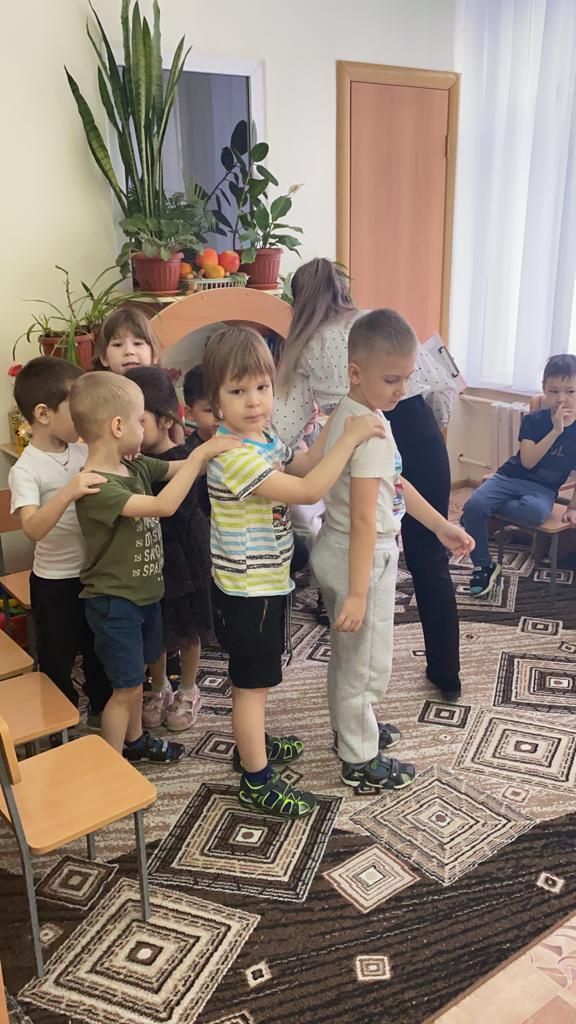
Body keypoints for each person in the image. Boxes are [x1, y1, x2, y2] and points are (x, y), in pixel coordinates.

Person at [203, 326, 387, 819]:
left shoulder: (262, 438)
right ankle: (256, 779)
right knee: (251, 685)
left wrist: (336, 421)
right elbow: (308, 491)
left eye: (262, 387)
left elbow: (303, 463)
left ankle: (254, 743)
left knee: (259, 677)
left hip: (265, 581)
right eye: (237, 391)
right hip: (247, 589)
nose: (254, 401)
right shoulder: (233, 456)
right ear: (215, 402)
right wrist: (350, 439)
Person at [274, 258, 462, 699]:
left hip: (360, 434)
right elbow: (441, 388)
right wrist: (433, 427)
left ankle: (350, 615)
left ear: (298, 301)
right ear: (344, 290)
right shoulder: (377, 323)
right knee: (428, 557)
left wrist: (270, 454)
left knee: (358, 528)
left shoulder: (304, 345)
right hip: (417, 429)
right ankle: (446, 674)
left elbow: (284, 427)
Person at [311, 311, 474, 791]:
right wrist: (359, 592)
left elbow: (395, 484)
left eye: (407, 378)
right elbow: (366, 518)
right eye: (391, 380)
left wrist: (441, 525)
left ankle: (351, 728)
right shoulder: (371, 432)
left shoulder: (351, 414)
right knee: (366, 664)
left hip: (338, 546)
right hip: (363, 556)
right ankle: (359, 758)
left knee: (349, 655)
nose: (402, 389)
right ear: (355, 372)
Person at [69, 371, 239, 761]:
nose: (141, 427)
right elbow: (164, 505)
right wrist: (199, 454)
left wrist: (213, 450)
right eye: (137, 419)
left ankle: (135, 741)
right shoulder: (96, 486)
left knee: (136, 683)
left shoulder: (137, 467)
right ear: (117, 427)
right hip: (115, 604)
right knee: (126, 689)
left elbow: (182, 470)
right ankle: (112, 766)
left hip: (144, 597)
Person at [8, 357, 112, 725]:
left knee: (99, 652)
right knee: (57, 661)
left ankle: (104, 716)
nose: (85, 415)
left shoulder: (83, 450)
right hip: (54, 584)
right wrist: (69, 491)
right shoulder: (26, 468)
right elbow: (33, 529)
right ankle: (61, 728)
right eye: (76, 408)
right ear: (43, 413)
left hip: (93, 577)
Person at [126, 366, 212, 732]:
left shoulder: (184, 456)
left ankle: (189, 689)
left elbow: (179, 509)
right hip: (149, 555)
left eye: (139, 420)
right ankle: (159, 685)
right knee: (155, 627)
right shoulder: (129, 462)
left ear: (164, 420)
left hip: (183, 554)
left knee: (189, 627)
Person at [463, 354, 576, 597]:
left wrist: (573, 507)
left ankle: (483, 512)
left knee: (533, 513)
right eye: (554, 391)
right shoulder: (534, 420)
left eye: (570, 391)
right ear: (544, 389)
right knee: (473, 505)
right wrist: (556, 431)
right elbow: (528, 461)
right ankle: (484, 565)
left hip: (543, 489)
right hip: (510, 477)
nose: (561, 398)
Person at [183, 364, 217, 518]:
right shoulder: (188, 452)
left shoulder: (246, 441)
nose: (220, 415)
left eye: (225, 406)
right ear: (190, 413)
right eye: (209, 410)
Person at [92, 307, 161, 373]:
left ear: (154, 354)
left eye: (137, 343)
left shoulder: (162, 380)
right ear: (104, 358)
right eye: (118, 345)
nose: (129, 351)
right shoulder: (97, 381)